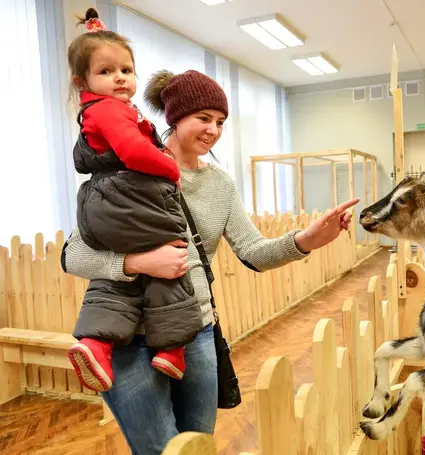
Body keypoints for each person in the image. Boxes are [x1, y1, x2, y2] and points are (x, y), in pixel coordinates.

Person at [61, 55, 359, 455]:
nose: (214, 130)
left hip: (194, 332)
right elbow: (72, 255)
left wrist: (307, 239)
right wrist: (136, 264)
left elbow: (254, 251)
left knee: (197, 446)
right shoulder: (125, 170)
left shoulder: (219, 184)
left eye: (221, 122)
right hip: (126, 339)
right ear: (176, 116)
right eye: (204, 118)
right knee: (157, 450)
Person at [64, 8, 203, 393]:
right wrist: (170, 168)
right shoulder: (110, 111)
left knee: (119, 281)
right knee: (173, 253)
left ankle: (96, 342)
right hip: (128, 199)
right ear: (82, 81)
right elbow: (134, 153)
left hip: (107, 204)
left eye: (126, 69)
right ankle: (172, 347)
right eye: (106, 71)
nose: (120, 78)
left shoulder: (98, 114)